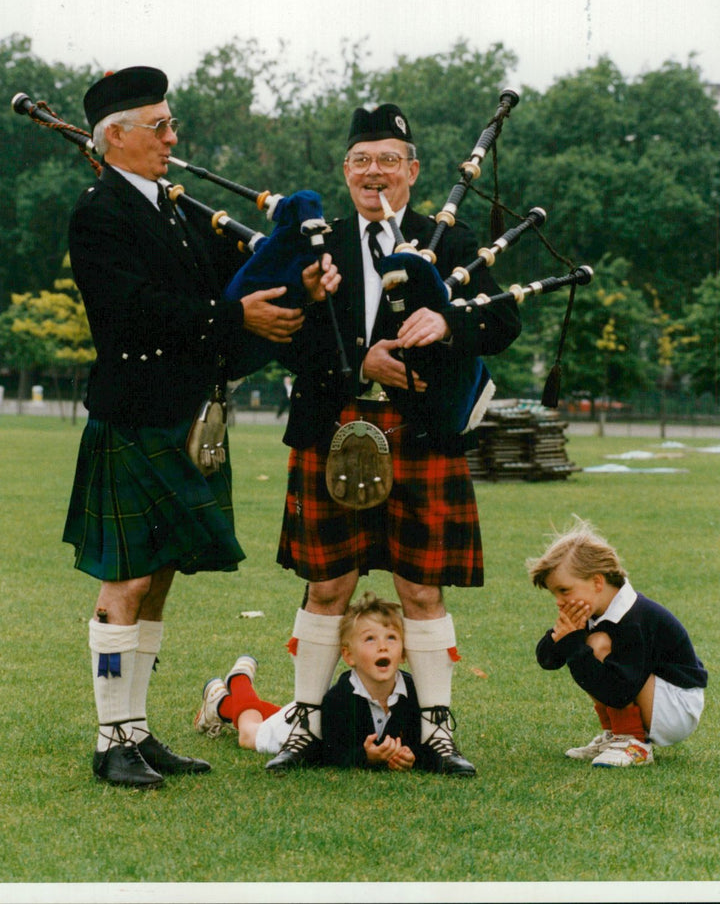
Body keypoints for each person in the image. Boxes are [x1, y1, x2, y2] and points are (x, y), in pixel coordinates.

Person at [63, 65, 337, 788]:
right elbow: (133, 310)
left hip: (184, 417)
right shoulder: (99, 213)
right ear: (114, 137)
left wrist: (296, 285)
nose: (172, 137)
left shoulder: (173, 210)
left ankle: (138, 730)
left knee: (157, 580)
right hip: (137, 417)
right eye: (159, 126)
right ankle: (110, 737)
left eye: (171, 122)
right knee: (125, 582)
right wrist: (233, 316)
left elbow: (237, 282)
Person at [264, 102, 523, 775]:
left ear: (411, 170)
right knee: (328, 585)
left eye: (387, 160)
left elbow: (501, 321)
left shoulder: (453, 242)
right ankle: (305, 727)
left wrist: (448, 326)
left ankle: (436, 730)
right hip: (334, 425)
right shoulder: (315, 243)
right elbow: (279, 331)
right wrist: (356, 363)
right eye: (360, 161)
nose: (373, 171)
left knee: (422, 588)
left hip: (420, 431)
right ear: (345, 171)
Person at [527, 517, 708, 767]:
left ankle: (633, 741)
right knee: (587, 644)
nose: (558, 601)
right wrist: (564, 638)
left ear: (597, 582)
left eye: (564, 590)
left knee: (596, 644)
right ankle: (615, 735)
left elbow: (620, 691)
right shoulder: (593, 610)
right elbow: (547, 660)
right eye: (554, 593)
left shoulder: (635, 618)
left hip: (677, 707)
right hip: (648, 695)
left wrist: (575, 645)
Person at [195, 592, 424, 770]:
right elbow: (330, 750)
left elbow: (415, 735)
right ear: (348, 655)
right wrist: (365, 757)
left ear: (403, 652)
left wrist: (408, 754)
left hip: (316, 717)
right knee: (248, 734)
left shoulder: (413, 690)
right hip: (301, 727)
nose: (383, 646)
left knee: (277, 712)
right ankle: (239, 682)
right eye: (370, 639)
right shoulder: (340, 697)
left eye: (391, 637)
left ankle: (219, 702)